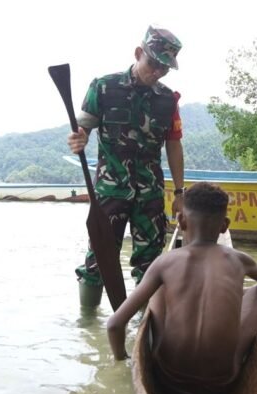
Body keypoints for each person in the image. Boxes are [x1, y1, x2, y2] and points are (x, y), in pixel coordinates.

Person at [107, 182, 257, 394]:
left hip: (168, 376)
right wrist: (239, 295)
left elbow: (114, 325)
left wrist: (122, 359)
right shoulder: (239, 260)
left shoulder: (165, 262)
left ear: (181, 221)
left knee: (159, 287)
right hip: (223, 379)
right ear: (224, 226)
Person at [68, 25, 185, 290]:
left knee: (151, 267)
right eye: (153, 64)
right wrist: (78, 139)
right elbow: (82, 129)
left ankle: (147, 314)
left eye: (164, 68)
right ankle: (90, 316)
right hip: (111, 191)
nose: (157, 72)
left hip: (150, 193)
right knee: (98, 263)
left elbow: (174, 145)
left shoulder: (168, 100)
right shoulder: (103, 87)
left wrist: (180, 192)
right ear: (138, 53)